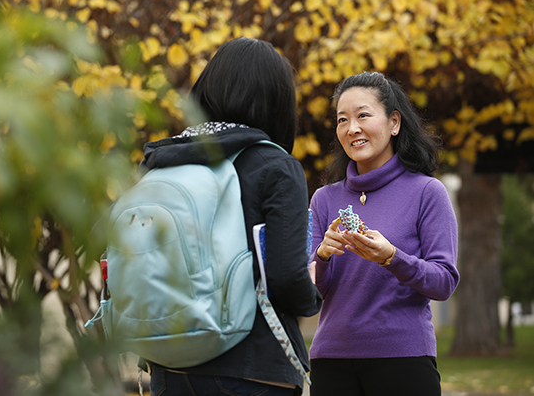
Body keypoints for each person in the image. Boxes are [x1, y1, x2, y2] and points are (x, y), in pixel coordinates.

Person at [140, 37, 323, 395]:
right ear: (276, 101)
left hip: (169, 364)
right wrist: (311, 292)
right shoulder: (276, 167)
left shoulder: (161, 161)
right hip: (252, 367)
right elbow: (285, 278)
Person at [308, 71, 460, 396]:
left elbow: (444, 281)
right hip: (331, 360)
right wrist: (322, 255)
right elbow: (312, 292)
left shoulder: (427, 192)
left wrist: (392, 257)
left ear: (394, 122)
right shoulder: (324, 199)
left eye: (363, 115)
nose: (352, 128)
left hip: (403, 358)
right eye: (342, 120)